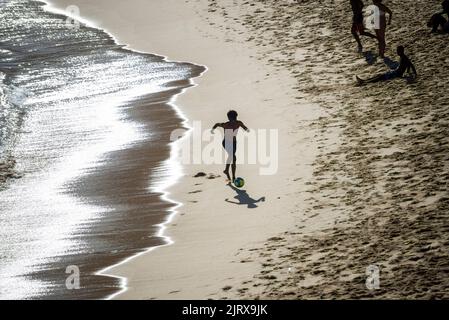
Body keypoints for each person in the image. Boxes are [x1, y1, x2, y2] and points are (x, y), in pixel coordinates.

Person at [211, 110, 249, 183]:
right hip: (226, 142)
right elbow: (216, 124)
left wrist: (247, 130)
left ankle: (228, 172)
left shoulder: (238, 123)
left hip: (234, 143)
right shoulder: (226, 124)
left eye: (231, 118)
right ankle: (232, 176)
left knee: (232, 158)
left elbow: (244, 127)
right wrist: (212, 130)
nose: (231, 120)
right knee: (233, 156)